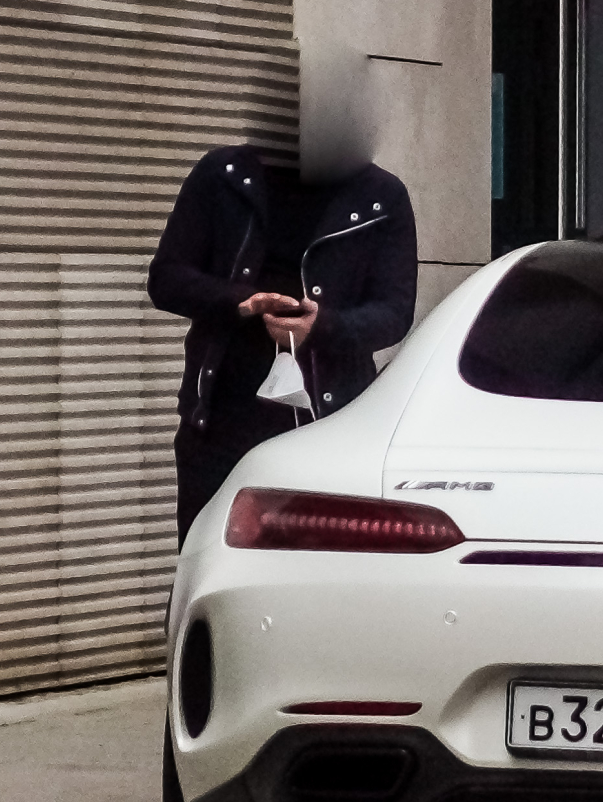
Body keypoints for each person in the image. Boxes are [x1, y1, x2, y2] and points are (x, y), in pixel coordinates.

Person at [147, 144, 418, 541]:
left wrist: (320, 327)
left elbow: (394, 314)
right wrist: (239, 303)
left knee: (317, 575)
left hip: (328, 427)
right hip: (222, 421)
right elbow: (166, 280)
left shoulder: (380, 195)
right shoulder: (223, 174)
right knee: (207, 563)